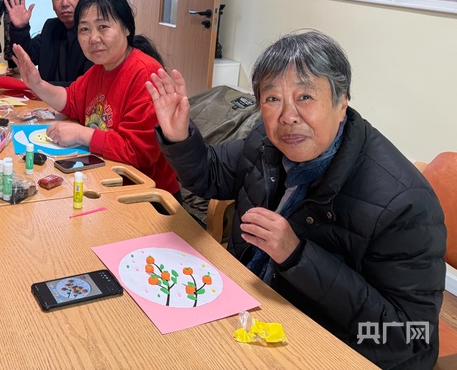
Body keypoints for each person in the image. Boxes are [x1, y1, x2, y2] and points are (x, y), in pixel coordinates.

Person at [146, 30, 445, 369]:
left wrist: (297, 255)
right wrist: (179, 135)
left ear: (342, 102)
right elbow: (211, 175)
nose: (288, 116)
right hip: (255, 308)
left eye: (305, 96)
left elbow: (409, 336)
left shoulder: (404, 203)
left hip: (330, 348)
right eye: (273, 98)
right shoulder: (267, 141)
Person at [12, 0, 180, 195]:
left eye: (103, 27)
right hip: (106, 179)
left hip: (146, 195)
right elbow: (71, 100)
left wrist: (81, 134)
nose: (93, 38)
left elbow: (137, 153)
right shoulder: (100, 69)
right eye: (84, 29)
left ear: (126, 28)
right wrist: (37, 84)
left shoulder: (145, 73)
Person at [5, 0, 93, 86]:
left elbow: (86, 85)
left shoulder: (93, 35)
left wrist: (41, 86)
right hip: (43, 96)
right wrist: (20, 28)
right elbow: (28, 56)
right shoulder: (51, 27)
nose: (64, 3)